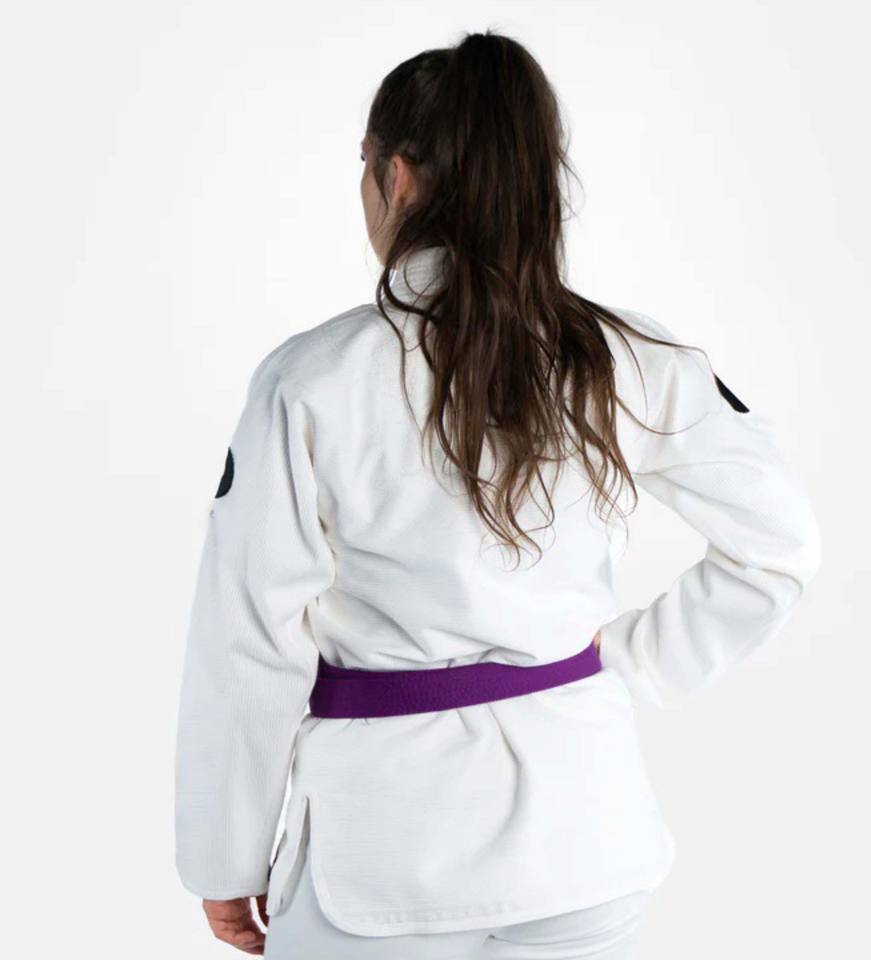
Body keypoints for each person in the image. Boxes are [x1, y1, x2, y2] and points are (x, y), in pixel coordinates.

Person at [173, 29, 821, 960]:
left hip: (387, 859)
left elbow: (248, 638)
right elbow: (778, 546)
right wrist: (623, 667)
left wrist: (223, 853)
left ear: (396, 177)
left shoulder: (312, 380)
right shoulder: (632, 359)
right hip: (586, 843)